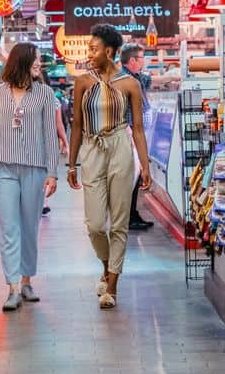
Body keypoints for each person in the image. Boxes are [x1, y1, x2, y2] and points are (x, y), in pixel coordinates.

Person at [67, 24, 151, 309]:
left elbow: (137, 128)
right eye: (88, 48)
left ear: (110, 51)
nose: (89, 53)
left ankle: (112, 285)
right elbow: (76, 126)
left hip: (120, 147)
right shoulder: (82, 82)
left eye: (94, 49)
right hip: (92, 148)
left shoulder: (130, 84)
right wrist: (71, 164)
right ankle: (106, 266)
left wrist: (145, 166)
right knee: (94, 225)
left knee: (119, 221)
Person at [0, 43, 59, 312]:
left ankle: (26, 281)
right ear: (21, 61)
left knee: (30, 228)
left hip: (35, 169)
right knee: (9, 228)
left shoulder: (45, 93)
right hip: (5, 169)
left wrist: (53, 173)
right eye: (35, 60)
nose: (39, 64)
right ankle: (12, 287)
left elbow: (50, 135)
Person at [119, 43, 155, 231]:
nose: (143, 61)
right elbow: (125, 116)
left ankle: (131, 215)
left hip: (135, 136)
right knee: (131, 178)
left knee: (134, 177)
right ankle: (128, 217)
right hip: (130, 137)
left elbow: (151, 80)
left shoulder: (136, 77)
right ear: (132, 60)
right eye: (141, 58)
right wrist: (134, 142)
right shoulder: (125, 81)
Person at [38, 71, 69, 216]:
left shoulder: (52, 98)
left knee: (45, 171)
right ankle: (39, 202)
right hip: (32, 141)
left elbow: (59, 123)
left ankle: (43, 202)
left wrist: (65, 141)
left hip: (47, 140)